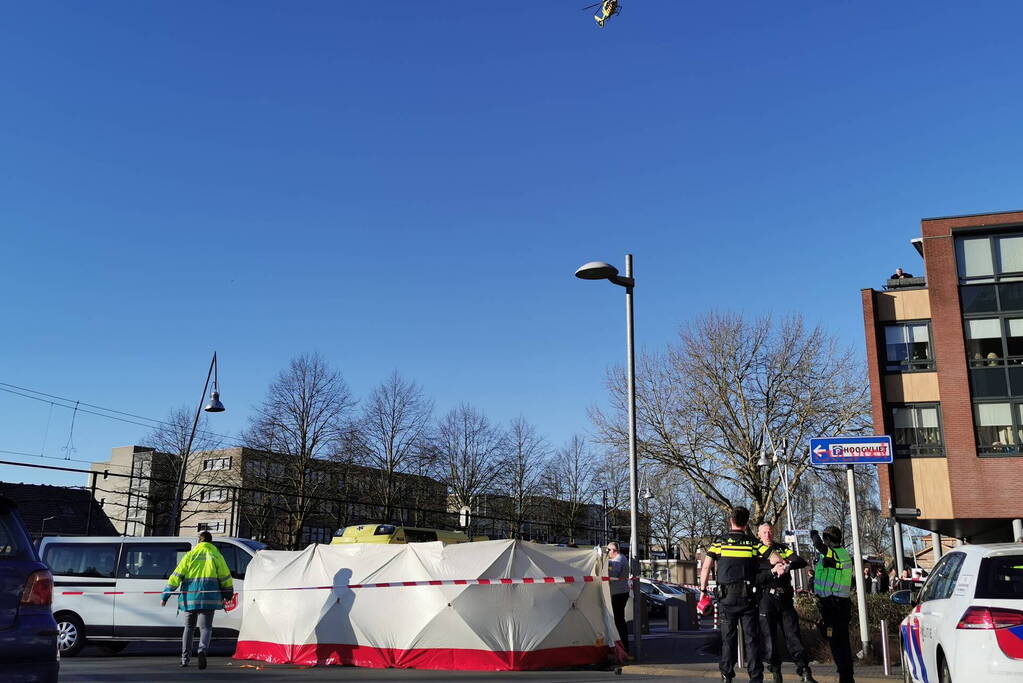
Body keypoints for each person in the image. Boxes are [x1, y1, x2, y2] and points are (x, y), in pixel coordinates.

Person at [700, 507, 787, 683]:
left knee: (728, 640)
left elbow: (706, 566)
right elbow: (775, 558)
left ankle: (727, 675)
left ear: (731, 520)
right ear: (747, 523)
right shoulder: (753, 544)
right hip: (749, 598)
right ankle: (755, 677)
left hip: (726, 599)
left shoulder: (720, 543)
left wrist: (702, 590)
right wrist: (778, 566)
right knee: (752, 639)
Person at [162, 531, 234, 669]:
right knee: (205, 628)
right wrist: (228, 593)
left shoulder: (190, 555)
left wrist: (166, 594)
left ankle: (185, 659)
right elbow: (225, 576)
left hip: (189, 599)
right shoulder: (216, 555)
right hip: (209, 598)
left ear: (199, 541)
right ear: (210, 542)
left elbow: (176, 576)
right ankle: (202, 650)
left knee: (188, 628)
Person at [755, 523, 817, 683]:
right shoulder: (755, 552)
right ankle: (776, 672)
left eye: (770, 532)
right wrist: (772, 570)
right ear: (759, 534)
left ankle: (805, 672)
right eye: (764, 532)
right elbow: (755, 578)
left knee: (793, 636)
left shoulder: (781, 548)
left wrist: (787, 565)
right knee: (770, 639)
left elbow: (800, 561)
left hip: (785, 599)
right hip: (767, 599)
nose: (768, 535)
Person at [811, 526, 854, 683]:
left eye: (825, 539)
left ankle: (846, 676)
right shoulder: (834, 555)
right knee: (836, 640)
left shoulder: (837, 553)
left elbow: (819, 546)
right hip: (831, 604)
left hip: (837, 605)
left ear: (828, 540)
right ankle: (845, 673)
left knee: (838, 642)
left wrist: (814, 535)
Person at [606, 541, 633, 660]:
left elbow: (613, 573)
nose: (607, 553)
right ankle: (622, 646)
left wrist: (605, 563)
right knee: (618, 620)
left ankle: (623, 647)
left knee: (618, 620)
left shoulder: (619, 559)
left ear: (614, 550)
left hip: (618, 594)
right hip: (619, 593)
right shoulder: (620, 559)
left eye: (608, 550)